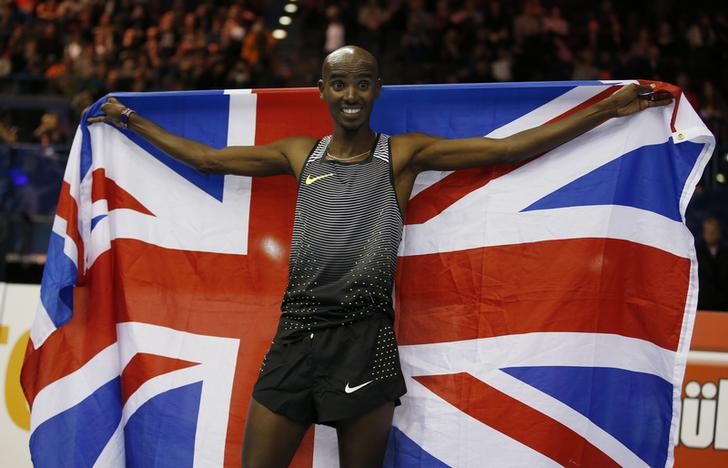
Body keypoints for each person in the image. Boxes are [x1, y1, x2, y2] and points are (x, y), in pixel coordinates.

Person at [88, 45, 672, 468]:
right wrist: (128, 119)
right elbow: (208, 160)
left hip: (366, 344)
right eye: (339, 83)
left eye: (362, 83)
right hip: (294, 341)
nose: (350, 95)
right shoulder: (300, 153)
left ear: (377, 90)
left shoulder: (403, 156)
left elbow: (508, 148)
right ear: (321, 90)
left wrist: (604, 109)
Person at [696, 217, 728, 311]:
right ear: (704, 233)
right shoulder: (696, 253)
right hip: (704, 303)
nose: (710, 235)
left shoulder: (725, 252)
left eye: (713, 232)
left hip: (724, 303)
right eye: (708, 232)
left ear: (718, 233)